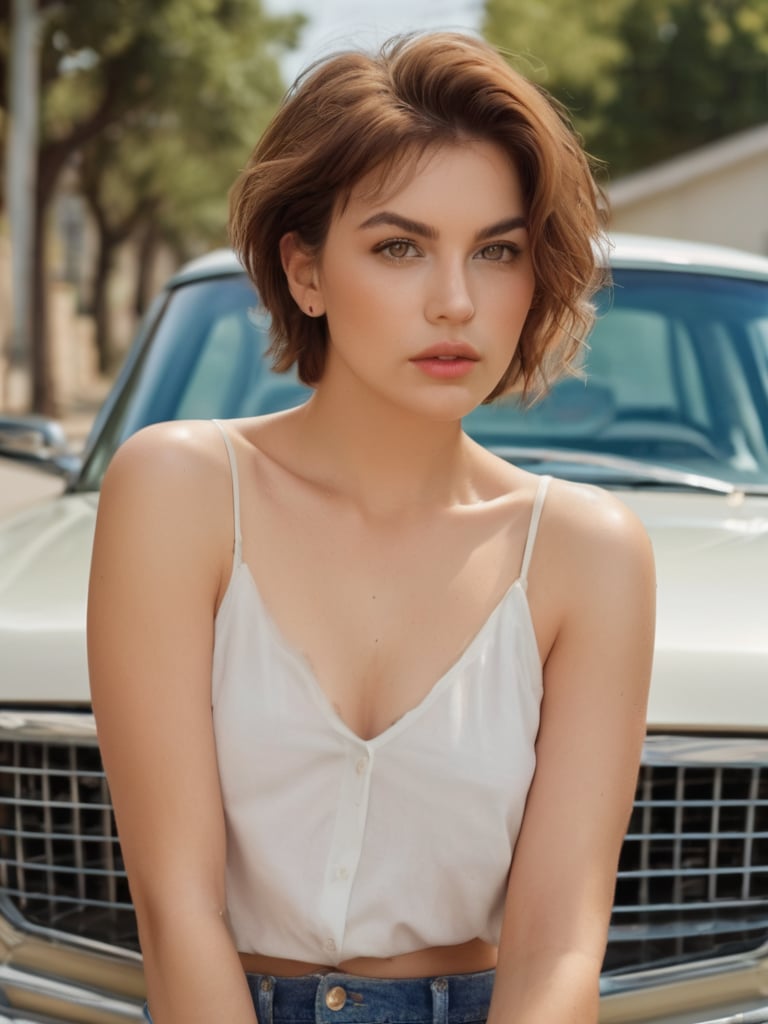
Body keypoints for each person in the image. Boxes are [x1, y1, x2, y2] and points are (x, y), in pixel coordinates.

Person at [87, 30, 655, 1024]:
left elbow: (559, 943)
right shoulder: (177, 491)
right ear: (304, 272)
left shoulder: (587, 553)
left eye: (498, 251)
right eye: (400, 246)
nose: (455, 301)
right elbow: (176, 911)